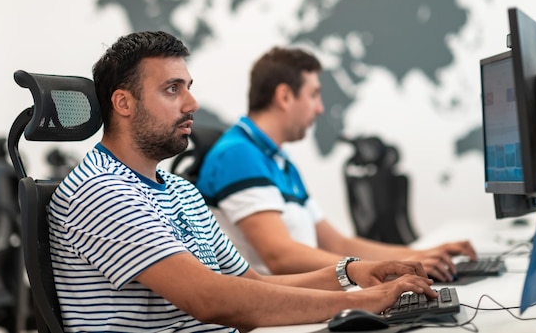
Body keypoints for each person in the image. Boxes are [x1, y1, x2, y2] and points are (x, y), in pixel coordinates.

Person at [48, 31, 437, 333]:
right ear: (123, 103)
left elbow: (249, 283)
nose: (191, 103)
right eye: (172, 89)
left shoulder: (179, 190)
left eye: (188, 86)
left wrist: (350, 274)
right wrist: (363, 302)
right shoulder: (100, 190)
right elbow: (211, 298)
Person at [195, 46, 477, 283]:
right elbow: (280, 256)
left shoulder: (278, 160)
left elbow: (337, 243)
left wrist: (418, 256)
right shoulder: (238, 155)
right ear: (284, 96)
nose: (320, 108)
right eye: (314, 94)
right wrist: (365, 269)